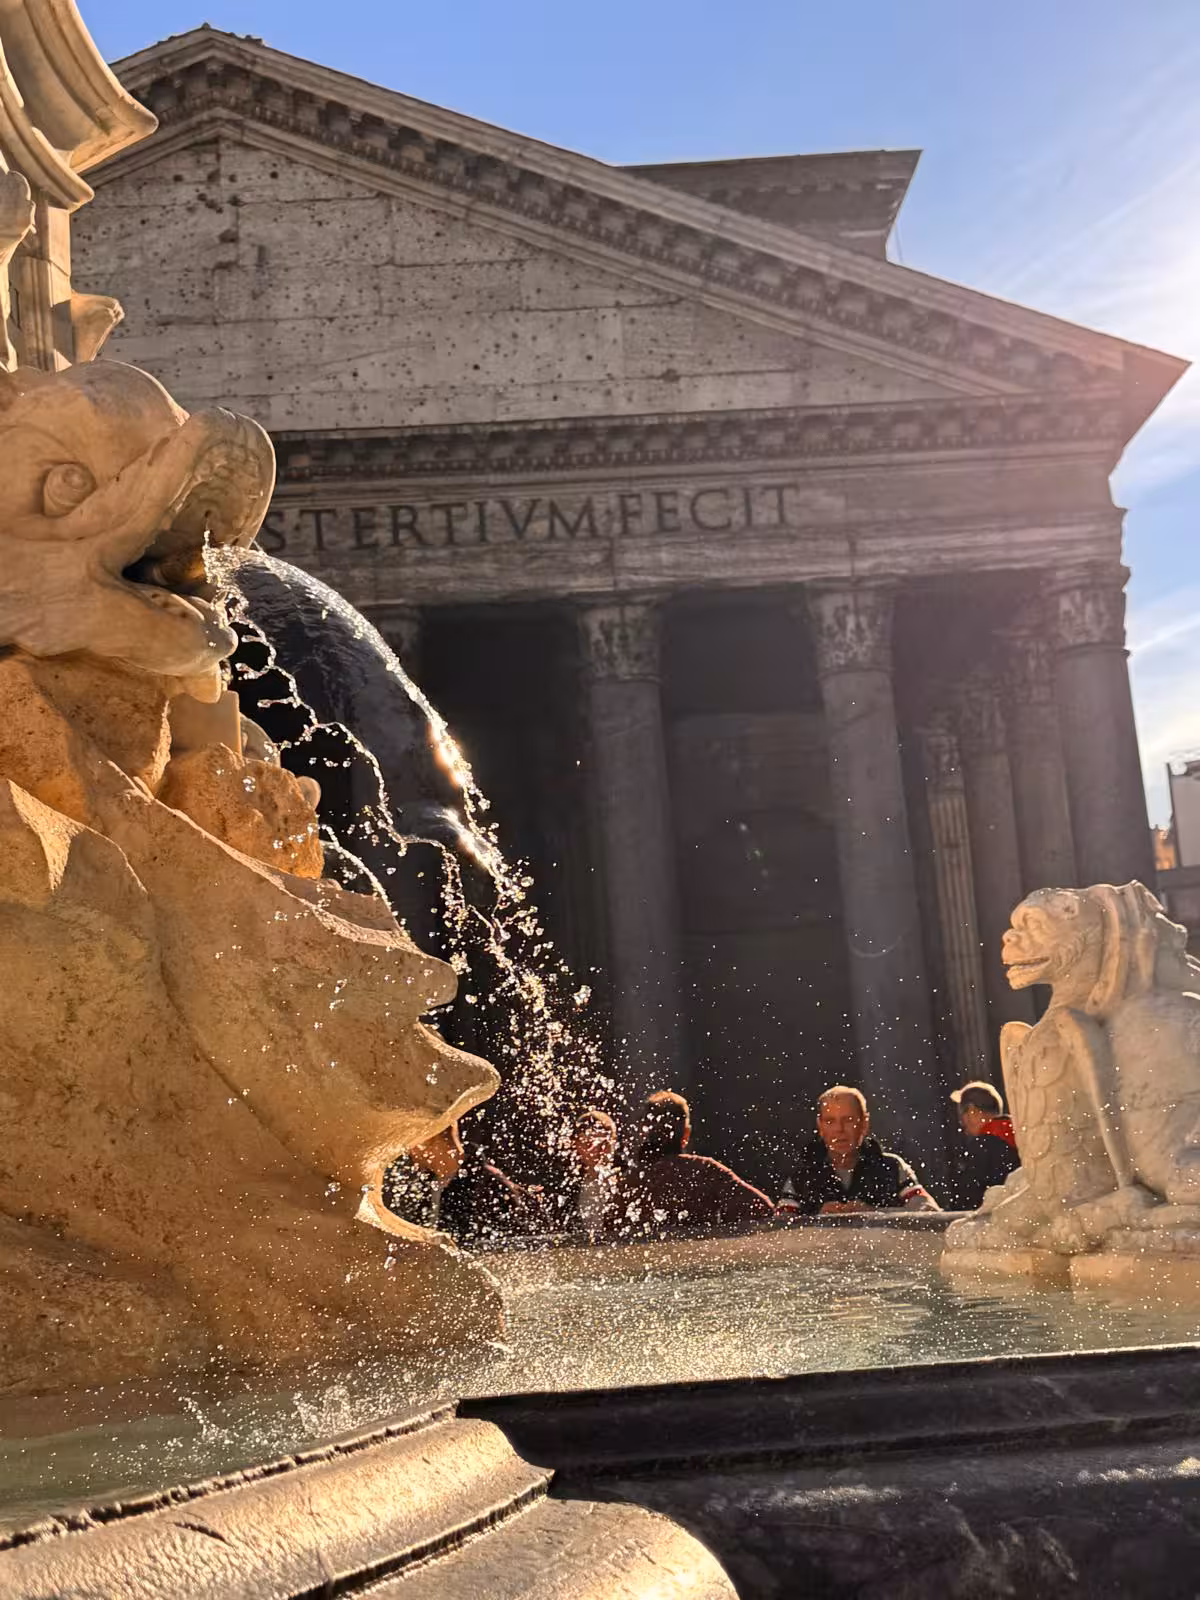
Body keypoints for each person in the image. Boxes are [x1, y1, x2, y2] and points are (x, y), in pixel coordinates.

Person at [626, 1090, 774, 1238]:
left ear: (642, 1131)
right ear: (686, 1134)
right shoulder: (704, 1171)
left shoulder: (627, 1183)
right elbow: (761, 1209)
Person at [780, 1085, 939, 1215]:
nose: (839, 1129)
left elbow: (930, 1213)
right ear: (820, 1126)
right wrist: (818, 1219)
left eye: (848, 1120)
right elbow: (778, 1232)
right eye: (830, 1121)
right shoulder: (800, 1177)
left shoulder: (891, 1167)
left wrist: (874, 1213)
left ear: (864, 1123)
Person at [949, 1079, 1020, 1210]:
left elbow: (968, 1199)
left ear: (972, 1111)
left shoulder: (981, 1147)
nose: (961, 1122)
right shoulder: (1022, 1137)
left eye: (962, 1114)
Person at [557, 1107, 623, 1239]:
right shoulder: (563, 1185)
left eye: (607, 1143)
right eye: (590, 1143)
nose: (601, 1151)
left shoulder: (627, 1180)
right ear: (575, 1144)